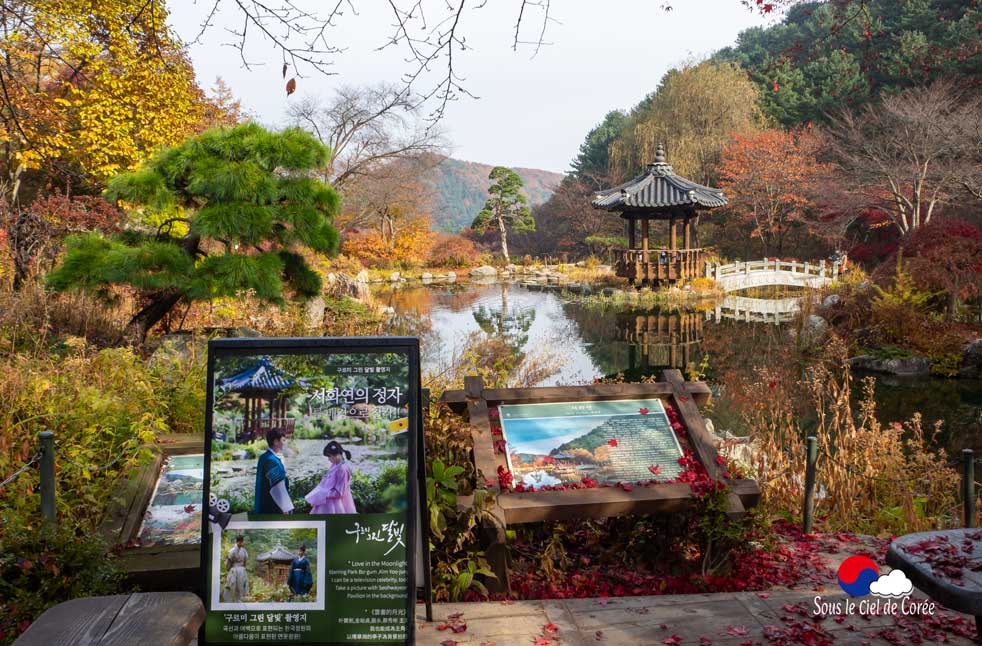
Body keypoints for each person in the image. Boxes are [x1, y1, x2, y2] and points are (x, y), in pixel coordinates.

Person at [305, 441, 356, 514]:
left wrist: (322, 494)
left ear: (337, 455)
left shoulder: (342, 469)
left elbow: (339, 492)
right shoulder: (335, 465)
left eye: (329, 456)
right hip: (327, 501)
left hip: (335, 504)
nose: (328, 459)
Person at [254, 429, 294, 514]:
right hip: (271, 506)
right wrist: (285, 508)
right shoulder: (271, 461)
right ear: (276, 441)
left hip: (264, 501)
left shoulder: (264, 457)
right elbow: (277, 487)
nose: (285, 442)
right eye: (283, 440)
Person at [222, 535, 248, 602]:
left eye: (242, 541)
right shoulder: (232, 551)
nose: (241, 543)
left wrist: (243, 568)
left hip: (241, 570)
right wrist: (228, 569)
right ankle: (232, 600)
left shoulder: (244, 551)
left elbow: (245, 562)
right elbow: (229, 562)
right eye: (240, 542)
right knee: (232, 585)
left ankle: (241, 599)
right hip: (234, 570)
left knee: (242, 585)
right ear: (237, 542)